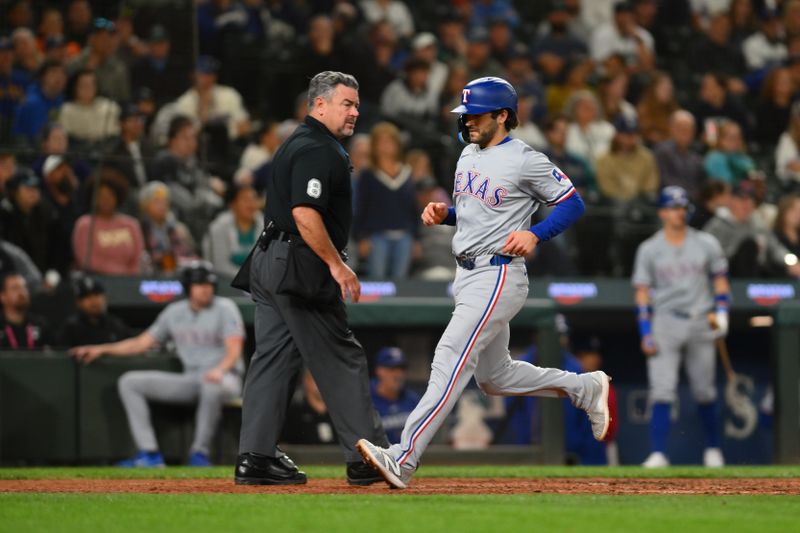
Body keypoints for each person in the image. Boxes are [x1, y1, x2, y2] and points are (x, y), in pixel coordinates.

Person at [355, 77, 612, 490]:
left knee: (449, 357)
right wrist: (448, 214)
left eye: (476, 115)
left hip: (498, 274)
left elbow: (573, 202)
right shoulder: (468, 154)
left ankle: (403, 458)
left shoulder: (525, 158)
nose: (468, 122)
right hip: (467, 274)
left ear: (503, 116)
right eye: (466, 115)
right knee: (496, 378)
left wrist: (536, 234)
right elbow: (483, 211)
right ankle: (583, 386)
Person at [234, 71, 388, 487]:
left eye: (357, 104)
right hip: (299, 263)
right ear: (319, 105)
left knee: (274, 359)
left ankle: (256, 457)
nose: (355, 111)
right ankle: (366, 456)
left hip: (269, 258)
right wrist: (337, 266)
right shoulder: (320, 148)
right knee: (340, 355)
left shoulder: (298, 142)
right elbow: (305, 212)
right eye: (347, 104)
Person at [71, 262, 244, 467]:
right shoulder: (174, 312)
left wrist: (220, 370)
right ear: (189, 287)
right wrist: (101, 349)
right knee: (130, 382)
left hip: (226, 378)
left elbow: (234, 348)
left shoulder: (225, 308)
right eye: (199, 284)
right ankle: (149, 454)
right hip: (191, 379)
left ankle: (199, 454)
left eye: (208, 284)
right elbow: (141, 343)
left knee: (211, 385)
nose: (205, 288)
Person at [632, 186, 730, 468]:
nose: (679, 213)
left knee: (705, 390)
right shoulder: (650, 248)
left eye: (682, 207)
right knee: (661, 389)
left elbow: (720, 281)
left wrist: (721, 313)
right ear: (663, 212)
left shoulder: (707, 243)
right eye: (673, 208)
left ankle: (713, 450)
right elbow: (642, 292)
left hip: (701, 318)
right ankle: (659, 453)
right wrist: (645, 331)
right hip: (665, 319)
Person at [203, 184, 263, 279]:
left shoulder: (266, 225)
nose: (251, 204)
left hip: (260, 283)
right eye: (245, 200)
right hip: (226, 284)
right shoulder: (218, 227)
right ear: (232, 204)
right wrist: (248, 278)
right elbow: (219, 265)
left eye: (254, 199)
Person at [56, 275, 132, 347]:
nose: (93, 301)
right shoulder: (70, 329)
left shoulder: (116, 326)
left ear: (104, 298)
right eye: (87, 297)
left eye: (97, 295)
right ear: (78, 302)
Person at [370, 347, 421, 444]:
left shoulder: (413, 400)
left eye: (402, 369)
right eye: (392, 369)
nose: (398, 374)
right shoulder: (365, 399)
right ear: (379, 370)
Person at [0, 271, 50, 350]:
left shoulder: (41, 324)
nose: (21, 292)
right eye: (15, 288)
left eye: (24, 287)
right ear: (2, 296)